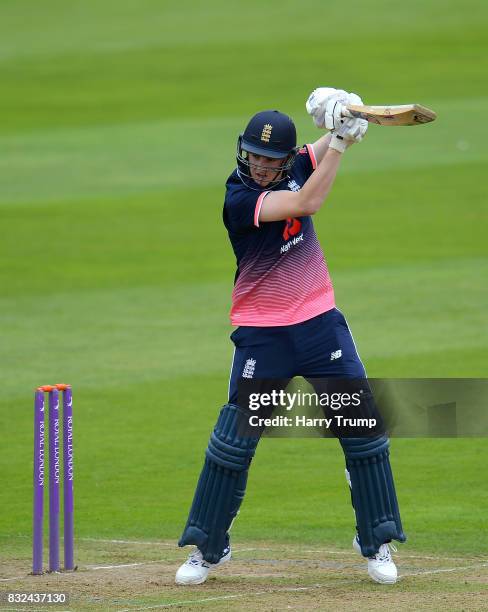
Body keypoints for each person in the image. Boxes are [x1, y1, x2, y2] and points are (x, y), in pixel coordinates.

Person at [175, 87, 406, 586]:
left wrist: (340, 120)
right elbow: (309, 200)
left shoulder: (293, 164)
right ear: (244, 153)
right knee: (234, 443)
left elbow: (319, 153)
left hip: (320, 324)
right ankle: (208, 550)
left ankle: (377, 542)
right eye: (254, 156)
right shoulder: (240, 199)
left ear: (283, 159)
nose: (260, 166)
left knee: (364, 431)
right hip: (263, 335)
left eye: (270, 159)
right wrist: (341, 141)